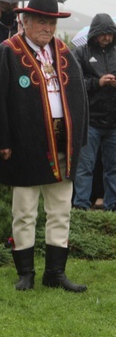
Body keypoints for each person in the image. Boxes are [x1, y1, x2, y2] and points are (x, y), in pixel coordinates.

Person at [0, 0, 88, 293]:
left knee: (60, 209)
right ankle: (26, 273)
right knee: (25, 210)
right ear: (25, 20)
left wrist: (78, 138)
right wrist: (1, 141)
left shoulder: (64, 52)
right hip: (23, 144)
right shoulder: (7, 52)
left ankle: (55, 273)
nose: (48, 28)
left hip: (62, 144)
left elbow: (79, 98)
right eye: (42, 21)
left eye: (51, 22)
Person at [72, 13, 116, 212]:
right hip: (90, 122)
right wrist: (97, 83)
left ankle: (112, 207)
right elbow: (73, 83)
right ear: (95, 34)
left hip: (114, 122)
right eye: (103, 34)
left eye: (110, 33)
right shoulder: (80, 53)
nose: (107, 37)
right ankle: (81, 207)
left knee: (113, 168)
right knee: (85, 167)